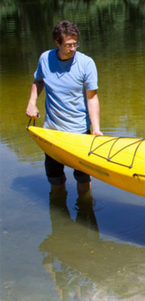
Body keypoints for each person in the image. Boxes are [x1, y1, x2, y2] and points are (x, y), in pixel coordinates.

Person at [26, 20, 102, 192]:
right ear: (57, 42)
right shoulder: (45, 59)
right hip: (52, 132)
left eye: (75, 44)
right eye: (68, 45)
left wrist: (96, 129)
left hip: (79, 132)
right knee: (55, 181)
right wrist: (32, 103)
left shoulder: (86, 63)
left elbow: (92, 98)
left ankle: (85, 212)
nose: (73, 48)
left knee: (83, 180)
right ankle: (59, 215)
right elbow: (38, 81)